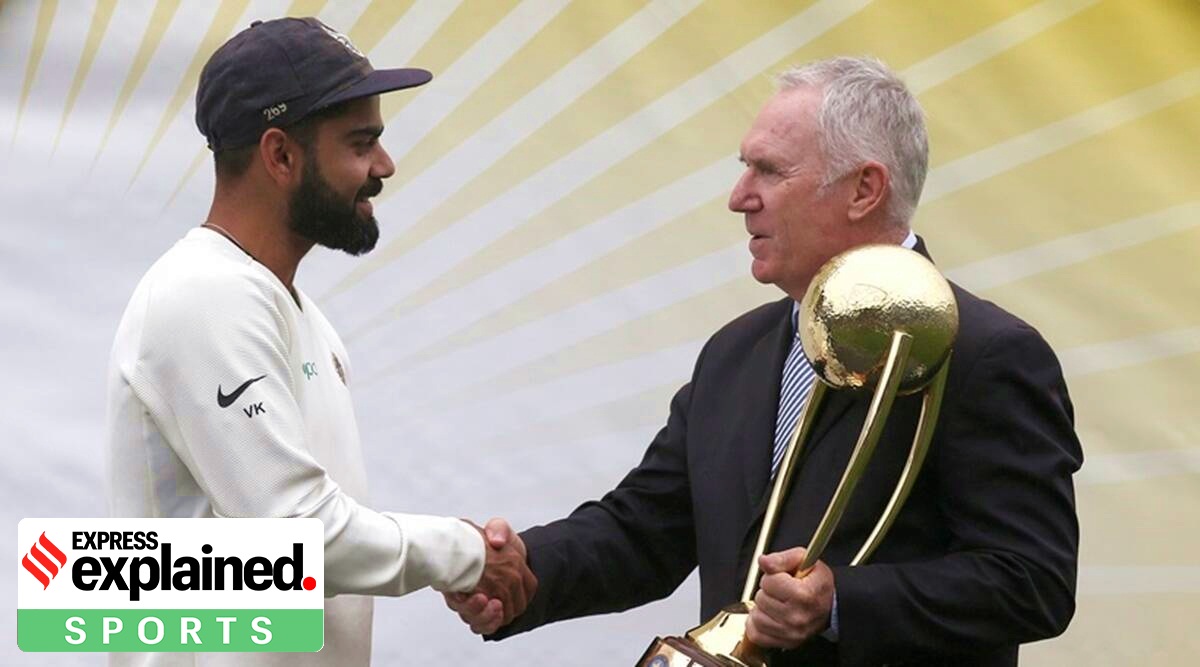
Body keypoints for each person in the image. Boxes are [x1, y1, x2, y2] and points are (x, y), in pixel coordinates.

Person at [447, 56, 1082, 665]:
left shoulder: (986, 352)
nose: (738, 197)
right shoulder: (737, 351)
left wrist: (839, 603)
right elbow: (645, 531)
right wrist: (516, 571)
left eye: (770, 171)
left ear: (865, 188)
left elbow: (1032, 579)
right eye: (744, 168)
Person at [105, 17, 534, 666]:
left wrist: (463, 563)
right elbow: (298, 533)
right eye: (362, 143)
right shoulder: (203, 294)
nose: (384, 166)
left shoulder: (290, 312)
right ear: (280, 155)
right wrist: (466, 554)